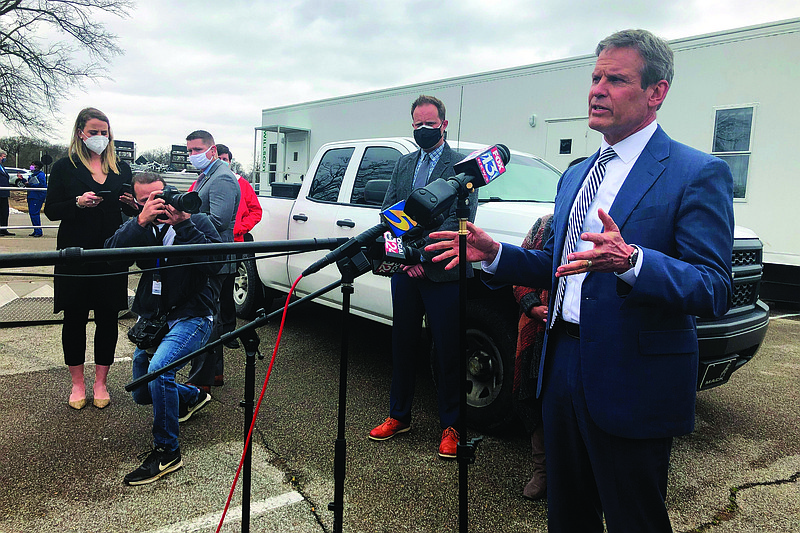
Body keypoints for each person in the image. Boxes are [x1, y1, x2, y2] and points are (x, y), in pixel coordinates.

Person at [426, 29, 734, 532]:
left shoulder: (696, 172)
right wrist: (496, 254)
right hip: (562, 363)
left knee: (636, 518)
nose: (597, 89)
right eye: (595, 78)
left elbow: (713, 287)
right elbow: (558, 264)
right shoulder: (575, 174)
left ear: (657, 92)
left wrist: (634, 260)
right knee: (567, 515)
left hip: (632, 376)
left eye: (616, 79)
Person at [367, 95, 478, 459]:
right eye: (417, 125)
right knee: (403, 343)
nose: (423, 130)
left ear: (444, 124)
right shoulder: (404, 163)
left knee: (447, 350)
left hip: (443, 271)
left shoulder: (462, 167)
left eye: (430, 124)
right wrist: (405, 257)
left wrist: (421, 255)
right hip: (406, 269)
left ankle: (452, 425)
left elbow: (459, 220)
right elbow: (389, 210)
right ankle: (399, 415)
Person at [105, 172, 221, 485]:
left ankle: (167, 451)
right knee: (143, 392)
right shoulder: (143, 226)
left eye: (162, 195)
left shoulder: (198, 221)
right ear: (137, 201)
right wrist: (139, 222)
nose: (160, 204)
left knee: (158, 372)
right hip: (156, 318)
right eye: (148, 201)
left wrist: (183, 223)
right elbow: (110, 255)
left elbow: (215, 265)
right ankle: (193, 396)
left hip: (193, 314)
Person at [44, 107, 138, 410]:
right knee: (74, 318)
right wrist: (76, 201)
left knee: (108, 317)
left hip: (111, 252)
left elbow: (134, 211)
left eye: (104, 132)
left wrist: (131, 205)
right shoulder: (64, 166)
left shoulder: (121, 168)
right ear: (80, 133)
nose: (100, 137)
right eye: (94, 131)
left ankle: (100, 381)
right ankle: (77, 383)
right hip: (75, 253)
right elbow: (51, 209)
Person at [183, 130, 239, 394]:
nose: (192, 156)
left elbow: (217, 220)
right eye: (190, 151)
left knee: (207, 316)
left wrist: (182, 220)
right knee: (210, 314)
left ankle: (202, 378)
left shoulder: (222, 178)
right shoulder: (208, 176)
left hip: (215, 257)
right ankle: (212, 373)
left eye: (196, 150)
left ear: (212, 150)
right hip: (208, 255)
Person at [512, 213, 553, 501]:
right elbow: (520, 271)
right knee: (535, 395)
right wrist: (533, 306)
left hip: (583, 332)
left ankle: (575, 474)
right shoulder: (544, 224)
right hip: (537, 329)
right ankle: (543, 473)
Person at [215, 143, 262, 349]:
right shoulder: (204, 181)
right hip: (210, 244)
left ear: (230, 161)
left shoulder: (242, 183)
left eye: (225, 159)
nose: (222, 163)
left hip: (233, 244)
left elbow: (256, 211)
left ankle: (228, 332)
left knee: (227, 289)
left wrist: (238, 229)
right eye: (219, 159)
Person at [24, 161, 47, 237]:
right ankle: (35, 229)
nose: (31, 166)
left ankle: (38, 231)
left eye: (33, 165)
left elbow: (41, 185)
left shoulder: (41, 175)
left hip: (37, 196)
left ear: (37, 166)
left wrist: (30, 184)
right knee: (32, 213)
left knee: (35, 213)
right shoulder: (32, 175)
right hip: (31, 195)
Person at [0, 149, 14, 236]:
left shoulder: (2, 166)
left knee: (4, 212)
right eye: (3, 156)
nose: (4, 158)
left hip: (4, 193)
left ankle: (4, 228)